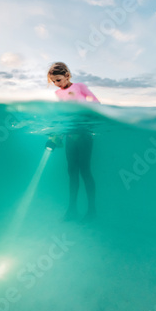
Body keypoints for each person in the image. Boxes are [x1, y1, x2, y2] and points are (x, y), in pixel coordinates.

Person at [46, 62, 100, 221]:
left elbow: (96, 103)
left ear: (67, 75)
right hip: (69, 135)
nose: (57, 83)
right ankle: (72, 209)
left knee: (85, 171)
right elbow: (62, 117)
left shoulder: (80, 86)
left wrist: (83, 114)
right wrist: (56, 136)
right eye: (54, 81)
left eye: (59, 80)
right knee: (72, 172)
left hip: (84, 134)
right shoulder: (58, 93)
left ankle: (92, 210)